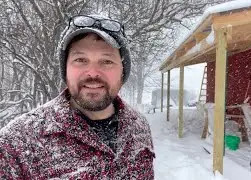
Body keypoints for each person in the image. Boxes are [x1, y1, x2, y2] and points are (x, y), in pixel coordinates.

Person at [0, 14, 155, 179]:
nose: (93, 73)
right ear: (65, 69)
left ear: (123, 70)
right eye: (80, 59)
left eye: (107, 61)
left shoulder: (139, 126)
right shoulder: (16, 144)